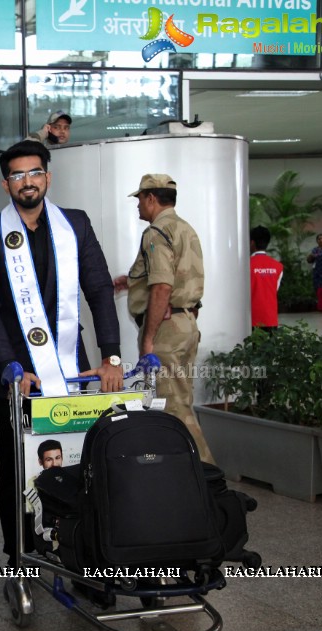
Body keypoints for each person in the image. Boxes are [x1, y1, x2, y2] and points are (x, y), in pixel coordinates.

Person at [0, 139, 122, 565]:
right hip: (15, 376)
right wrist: (8, 365)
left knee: (78, 459)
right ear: (6, 184)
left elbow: (99, 289)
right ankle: (19, 552)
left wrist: (111, 355)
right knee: (18, 469)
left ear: (48, 177)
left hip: (73, 368)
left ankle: (75, 544)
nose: (27, 181)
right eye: (18, 175)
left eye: (35, 172)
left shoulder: (76, 224)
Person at [113, 174, 214, 464]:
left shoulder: (156, 232)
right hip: (186, 324)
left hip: (167, 331)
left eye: (140, 199)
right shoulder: (184, 228)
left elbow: (162, 286)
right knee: (181, 400)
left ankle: (206, 476)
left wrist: (148, 339)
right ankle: (187, 474)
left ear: (151, 198)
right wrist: (130, 281)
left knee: (173, 408)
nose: (138, 206)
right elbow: (182, 277)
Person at [250, 226, 283, 331]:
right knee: (270, 347)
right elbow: (274, 289)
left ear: (252, 243)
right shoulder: (278, 266)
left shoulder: (245, 265)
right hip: (271, 318)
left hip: (252, 318)